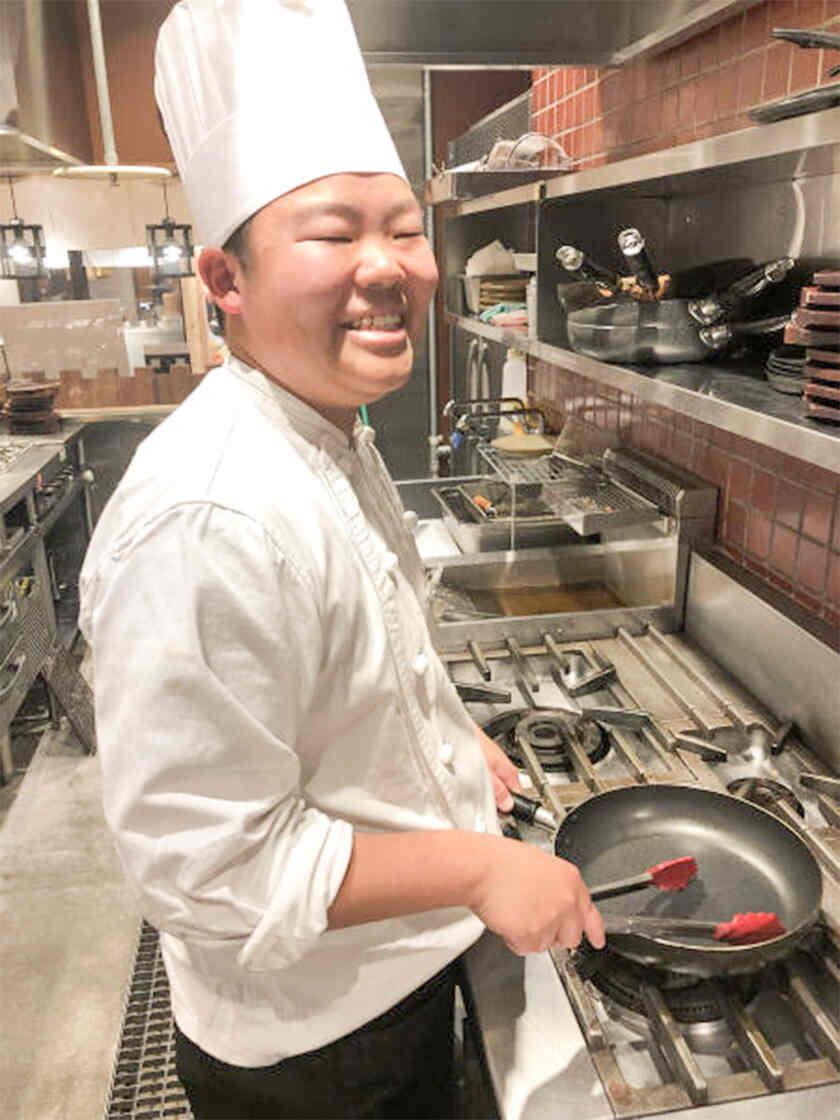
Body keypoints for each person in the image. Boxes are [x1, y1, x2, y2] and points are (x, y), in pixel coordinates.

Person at [79, 3, 605, 1118]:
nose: (387, 266)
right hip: (312, 1050)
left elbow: (346, 668)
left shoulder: (324, 426)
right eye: (331, 234)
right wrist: (480, 866)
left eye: (405, 229)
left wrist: (446, 746)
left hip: (389, 979)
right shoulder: (208, 517)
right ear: (225, 279)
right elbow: (208, 867)